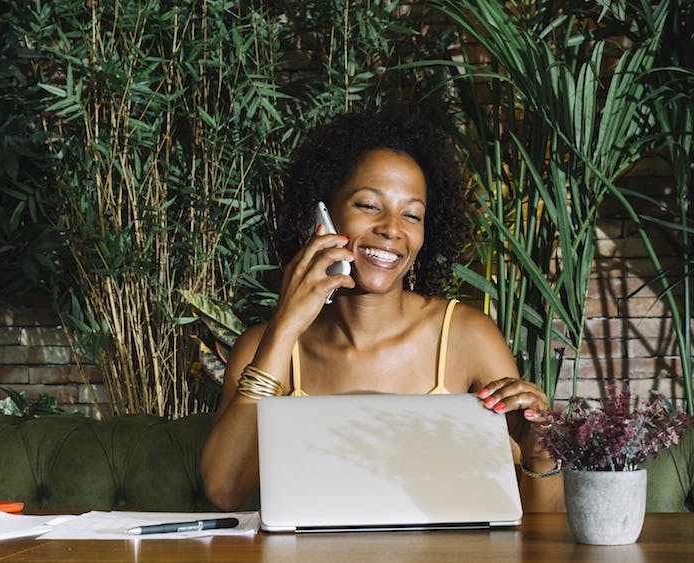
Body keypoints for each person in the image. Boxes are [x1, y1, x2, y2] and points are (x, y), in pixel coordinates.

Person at [199, 109, 564, 513]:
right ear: (324, 215)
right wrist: (285, 325)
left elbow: (538, 527)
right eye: (369, 205)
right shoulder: (266, 346)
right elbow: (224, 491)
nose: (392, 228)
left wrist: (540, 455)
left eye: (412, 214)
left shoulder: (467, 336)